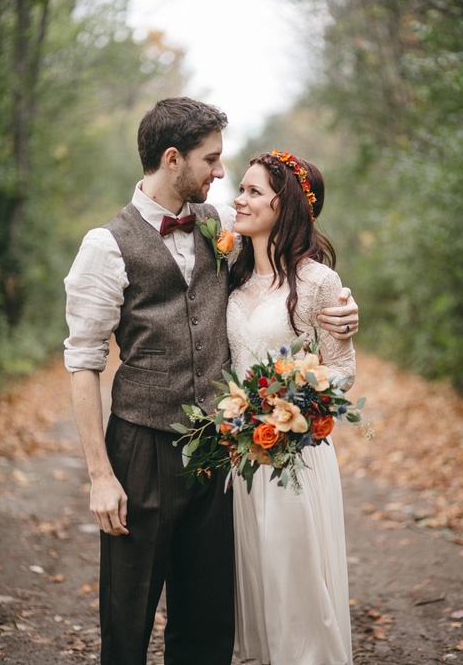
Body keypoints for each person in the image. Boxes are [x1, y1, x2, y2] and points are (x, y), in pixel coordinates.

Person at [64, 98, 358, 665]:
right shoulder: (103, 246)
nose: (223, 175)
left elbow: (290, 261)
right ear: (173, 160)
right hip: (141, 445)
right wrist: (100, 475)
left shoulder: (221, 224)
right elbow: (84, 361)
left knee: (207, 618)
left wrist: (342, 311)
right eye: (212, 160)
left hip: (218, 453)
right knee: (128, 614)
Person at [228, 151, 355, 665]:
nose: (240, 198)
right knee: (257, 583)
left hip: (293, 456)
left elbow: (342, 372)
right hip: (240, 455)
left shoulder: (318, 282)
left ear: (288, 206)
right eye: (241, 188)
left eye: (254, 191)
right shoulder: (230, 277)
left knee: (295, 582)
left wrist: (291, 410)